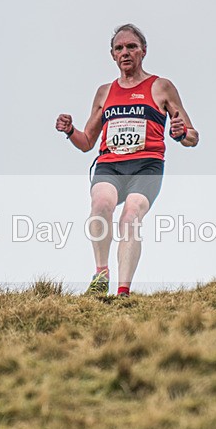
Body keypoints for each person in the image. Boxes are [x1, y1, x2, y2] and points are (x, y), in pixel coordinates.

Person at [56, 24, 199, 297]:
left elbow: (193, 136)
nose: (125, 53)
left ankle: (123, 291)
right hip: (111, 165)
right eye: (119, 48)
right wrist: (70, 130)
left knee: (130, 216)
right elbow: (87, 142)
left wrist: (182, 134)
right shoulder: (104, 92)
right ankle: (101, 274)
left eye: (131, 47)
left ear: (143, 51)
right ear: (112, 55)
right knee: (100, 204)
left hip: (147, 166)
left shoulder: (161, 87)